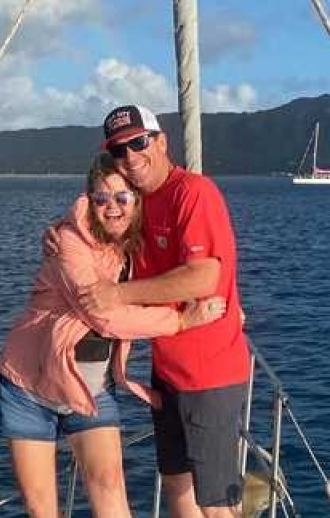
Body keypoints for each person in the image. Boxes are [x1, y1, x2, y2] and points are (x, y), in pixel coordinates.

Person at [0, 153, 226, 518]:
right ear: (89, 201)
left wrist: (227, 304)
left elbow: (183, 270)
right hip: (28, 387)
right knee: (41, 508)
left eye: (122, 197)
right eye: (101, 198)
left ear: (137, 201)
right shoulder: (69, 242)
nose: (112, 208)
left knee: (110, 488)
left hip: (90, 390)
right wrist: (182, 323)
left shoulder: (136, 246)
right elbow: (102, 317)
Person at [75, 105, 252, 518]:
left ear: (161, 141)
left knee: (217, 503)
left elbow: (203, 277)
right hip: (168, 371)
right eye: (120, 149)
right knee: (176, 484)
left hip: (209, 374)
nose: (131, 156)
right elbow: (99, 211)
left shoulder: (193, 192)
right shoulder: (139, 202)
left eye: (139, 142)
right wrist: (61, 235)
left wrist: (117, 295)